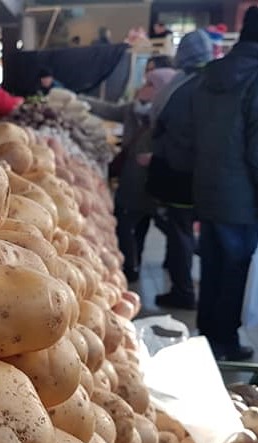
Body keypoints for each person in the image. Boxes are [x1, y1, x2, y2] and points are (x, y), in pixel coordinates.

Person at [189, 6, 258, 361]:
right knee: (235, 268)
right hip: (243, 193)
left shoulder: (211, 74)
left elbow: (192, 130)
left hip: (208, 185)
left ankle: (207, 333)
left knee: (213, 262)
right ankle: (225, 340)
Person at [84, 58, 176, 282]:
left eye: (149, 84)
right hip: (132, 179)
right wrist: (75, 98)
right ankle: (130, 267)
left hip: (154, 180)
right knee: (128, 222)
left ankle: (136, 266)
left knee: (138, 223)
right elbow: (107, 110)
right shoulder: (133, 110)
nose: (142, 87)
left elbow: (180, 146)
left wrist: (156, 158)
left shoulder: (170, 115)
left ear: (162, 90)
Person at [143, 29, 215, 310]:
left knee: (180, 231)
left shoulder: (184, 85)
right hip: (205, 172)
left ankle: (183, 291)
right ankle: (191, 287)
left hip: (181, 173)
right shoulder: (212, 83)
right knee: (187, 231)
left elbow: (166, 125)